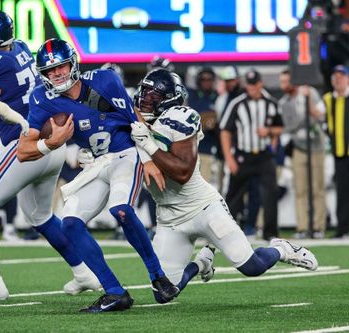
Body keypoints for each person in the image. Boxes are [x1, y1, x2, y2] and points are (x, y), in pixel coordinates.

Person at [17, 38, 179, 312]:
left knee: (121, 210)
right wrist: (52, 144)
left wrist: (149, 160)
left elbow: (135, 120)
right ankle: (114, 292)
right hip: (98, 163)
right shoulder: (41, 97)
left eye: (61, 66)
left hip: (126, 154)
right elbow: (24, 150)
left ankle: (158, 277)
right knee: (70, 223)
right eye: (49, 70)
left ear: (73, 64)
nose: (56, 74)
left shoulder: (105, 80)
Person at [0, 9, 99, 301]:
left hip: (26, 146)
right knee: (41, 217)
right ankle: (84, 273)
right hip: (52, 146)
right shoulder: (19, 48)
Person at [130, 68, 318, 291]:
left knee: (252, 266)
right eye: (144, 93)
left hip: (202, 207)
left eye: (152, 96)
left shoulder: (180, 117)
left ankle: (281, 249)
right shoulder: (133, 122)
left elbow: (182, 173)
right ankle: (202, 262)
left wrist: (148, 144)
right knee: (164, 292)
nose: (144, 101)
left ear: (169, 99)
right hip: (169, 218)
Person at [219, 69, 283, 241]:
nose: (252, 88)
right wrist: (229, 158)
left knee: (270, 194)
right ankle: (226, 233)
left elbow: (280, 127)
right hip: (242, 156)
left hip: (264, 156)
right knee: (233, 196)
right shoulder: (237, 103)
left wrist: (269, 131)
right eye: (249, 84)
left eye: (254, 84)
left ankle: (270, 233)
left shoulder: (271, 103)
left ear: (260, 84)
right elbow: (225, 131)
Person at [279, 69, 326, 239]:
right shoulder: (284, 103)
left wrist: (309, 102)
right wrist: (306, 115)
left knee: (318, 188)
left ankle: (318, 226)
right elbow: (290, 126)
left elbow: (320, 116)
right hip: (298, 147)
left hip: (316, 146)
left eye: (286, 82)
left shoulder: (310, 92)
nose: (283, 86)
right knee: (301, 189)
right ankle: (303, 226)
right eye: (282, 82)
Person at [323, 65, 349, 238]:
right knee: (342, 192)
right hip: (339, 153)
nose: (338, 80)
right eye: (335, 77)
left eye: (341, 76)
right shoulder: (327, 99)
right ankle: (342, 228)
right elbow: (316, 113)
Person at [187, 67, 218, 184]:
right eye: (203, 79)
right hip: (189, 150)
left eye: (209, 79)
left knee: (206, 185)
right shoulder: (191, 96)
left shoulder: (217, 97)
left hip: (208, 148)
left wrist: (214, 124)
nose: (206, 82)